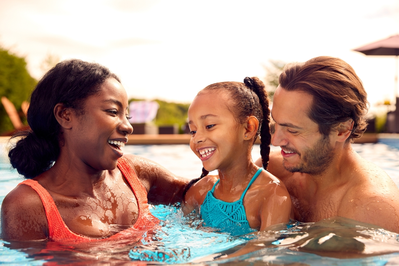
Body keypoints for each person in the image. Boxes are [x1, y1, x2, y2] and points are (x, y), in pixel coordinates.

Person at [1, 59, 189, 242]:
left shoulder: (135, 174)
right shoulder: (29, 206)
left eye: (127, 115)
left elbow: (201, 193)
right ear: (65, 115)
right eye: (113, 112)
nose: (128, 126)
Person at [256, 56, 399, 233]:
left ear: (341, 130)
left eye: (292, 130)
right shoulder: (272, 171)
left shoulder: (371, 208)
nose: (275, 141)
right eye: (275, 125)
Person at [182, 77, 291, 236]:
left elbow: (263, 249)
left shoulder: (272, 195)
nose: (197, 138)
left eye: (210, 126)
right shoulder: (200, 192)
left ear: (248, 128)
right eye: (193, 131)